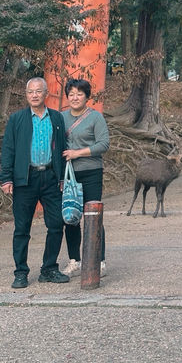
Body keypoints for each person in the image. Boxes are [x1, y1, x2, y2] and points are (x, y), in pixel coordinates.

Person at [0, 77, 70, 289]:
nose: (35, 95)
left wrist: (62, 177)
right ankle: (20, 272)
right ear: (26, 94)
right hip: (25, 179)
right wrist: (6, 177)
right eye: (31, 92)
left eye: (38, 91)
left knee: (56, 224)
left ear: (45, 93)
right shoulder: (17, 119)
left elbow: (61, 148)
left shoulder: (56, 118)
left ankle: (49, 268)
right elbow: (8, 149)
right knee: (22, 228)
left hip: (50, 177)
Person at [61, 78, 110, 277]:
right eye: (71, 94)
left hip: (91, 172)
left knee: (92, 216)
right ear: (67, 96)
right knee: (70, 217)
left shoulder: (95, 118)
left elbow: (103, 144)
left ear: (86, 97)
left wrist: (77, 153)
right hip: (68, 175)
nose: (75, 97)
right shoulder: (61, 117)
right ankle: (75, 260)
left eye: (79, 94)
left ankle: (99, 260)